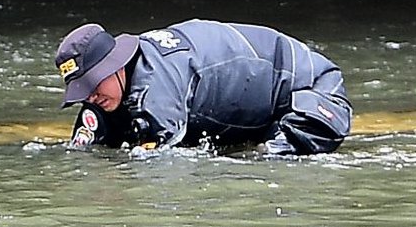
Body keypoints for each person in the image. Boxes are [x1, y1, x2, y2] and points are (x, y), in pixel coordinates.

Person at [54, 19, 353, 155]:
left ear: (116, 65)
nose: (90, 97)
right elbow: (83, 149)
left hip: (313, 92)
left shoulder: (157, 89)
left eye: (93, 85)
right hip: (252, 109)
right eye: (83, 91)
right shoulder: (105, 94)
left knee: (266, 159)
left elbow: (158, 172)